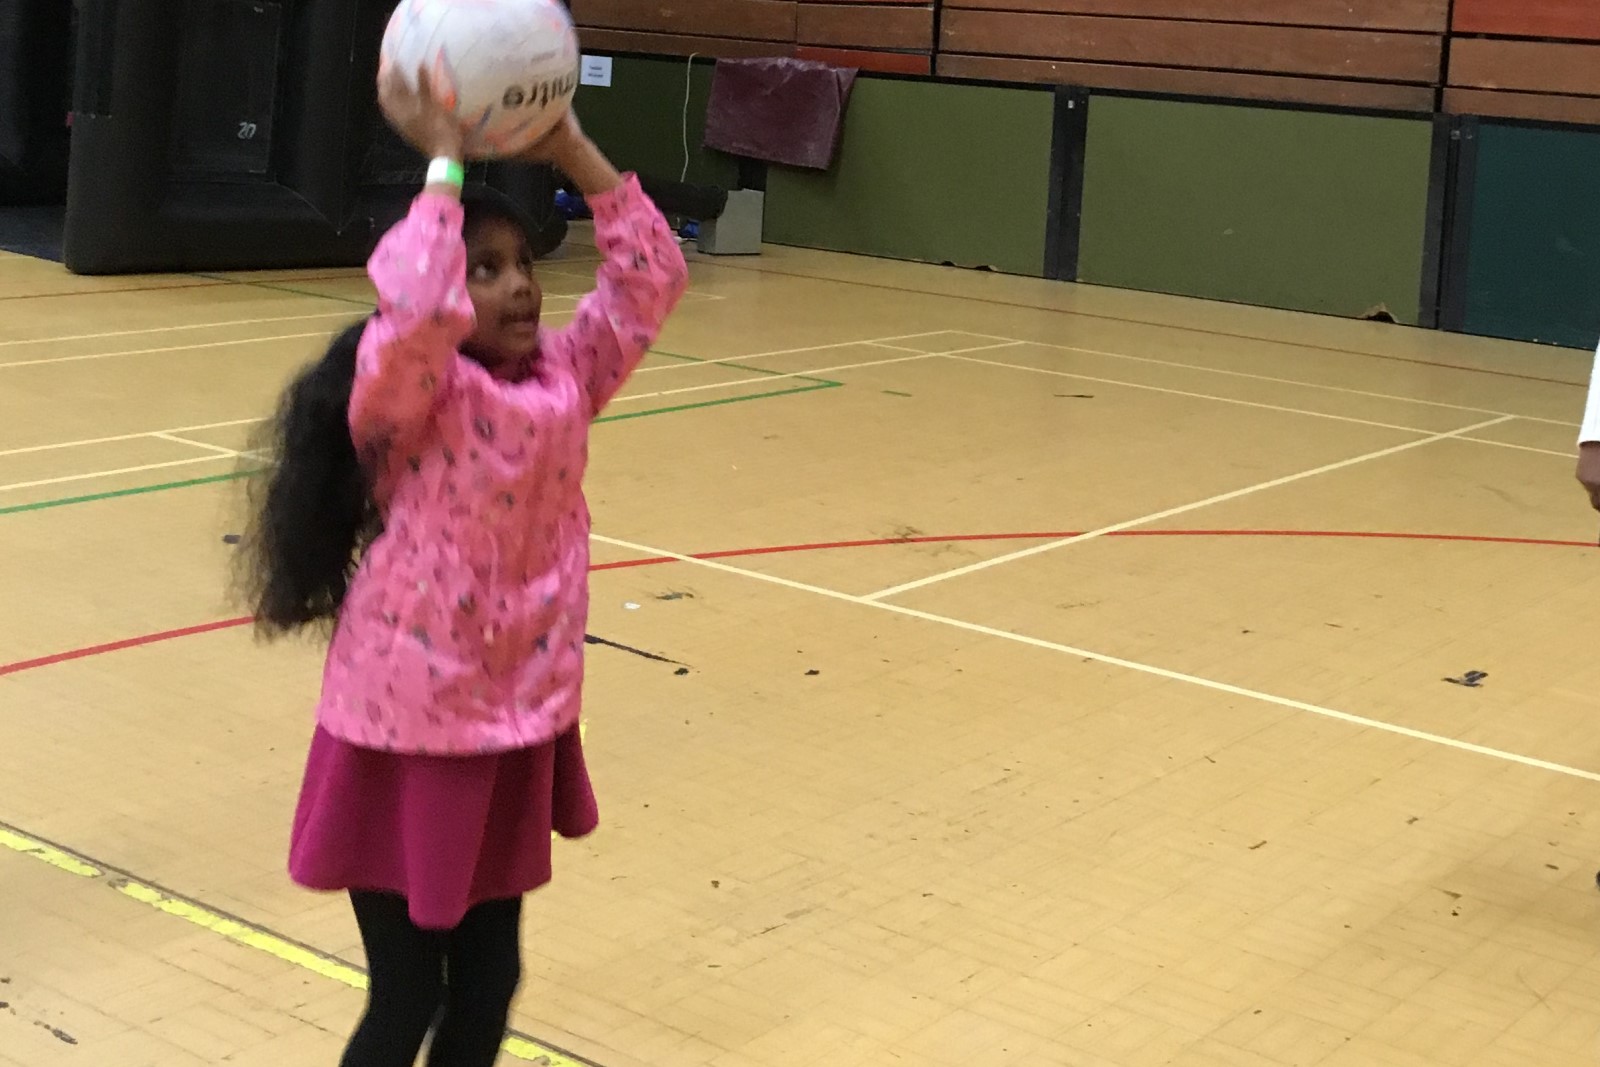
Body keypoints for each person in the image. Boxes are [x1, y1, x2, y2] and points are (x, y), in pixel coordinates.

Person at [238, 63, 688, 1067]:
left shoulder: (565, 379)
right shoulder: (408, 397)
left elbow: (650, 279)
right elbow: (411, 306)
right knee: (406, 996)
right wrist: (444, 159)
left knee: (488, 985)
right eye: (484, 267)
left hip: (515, 717)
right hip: (411, 729)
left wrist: (569, 146)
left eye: (522, 260)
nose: (519, 283)